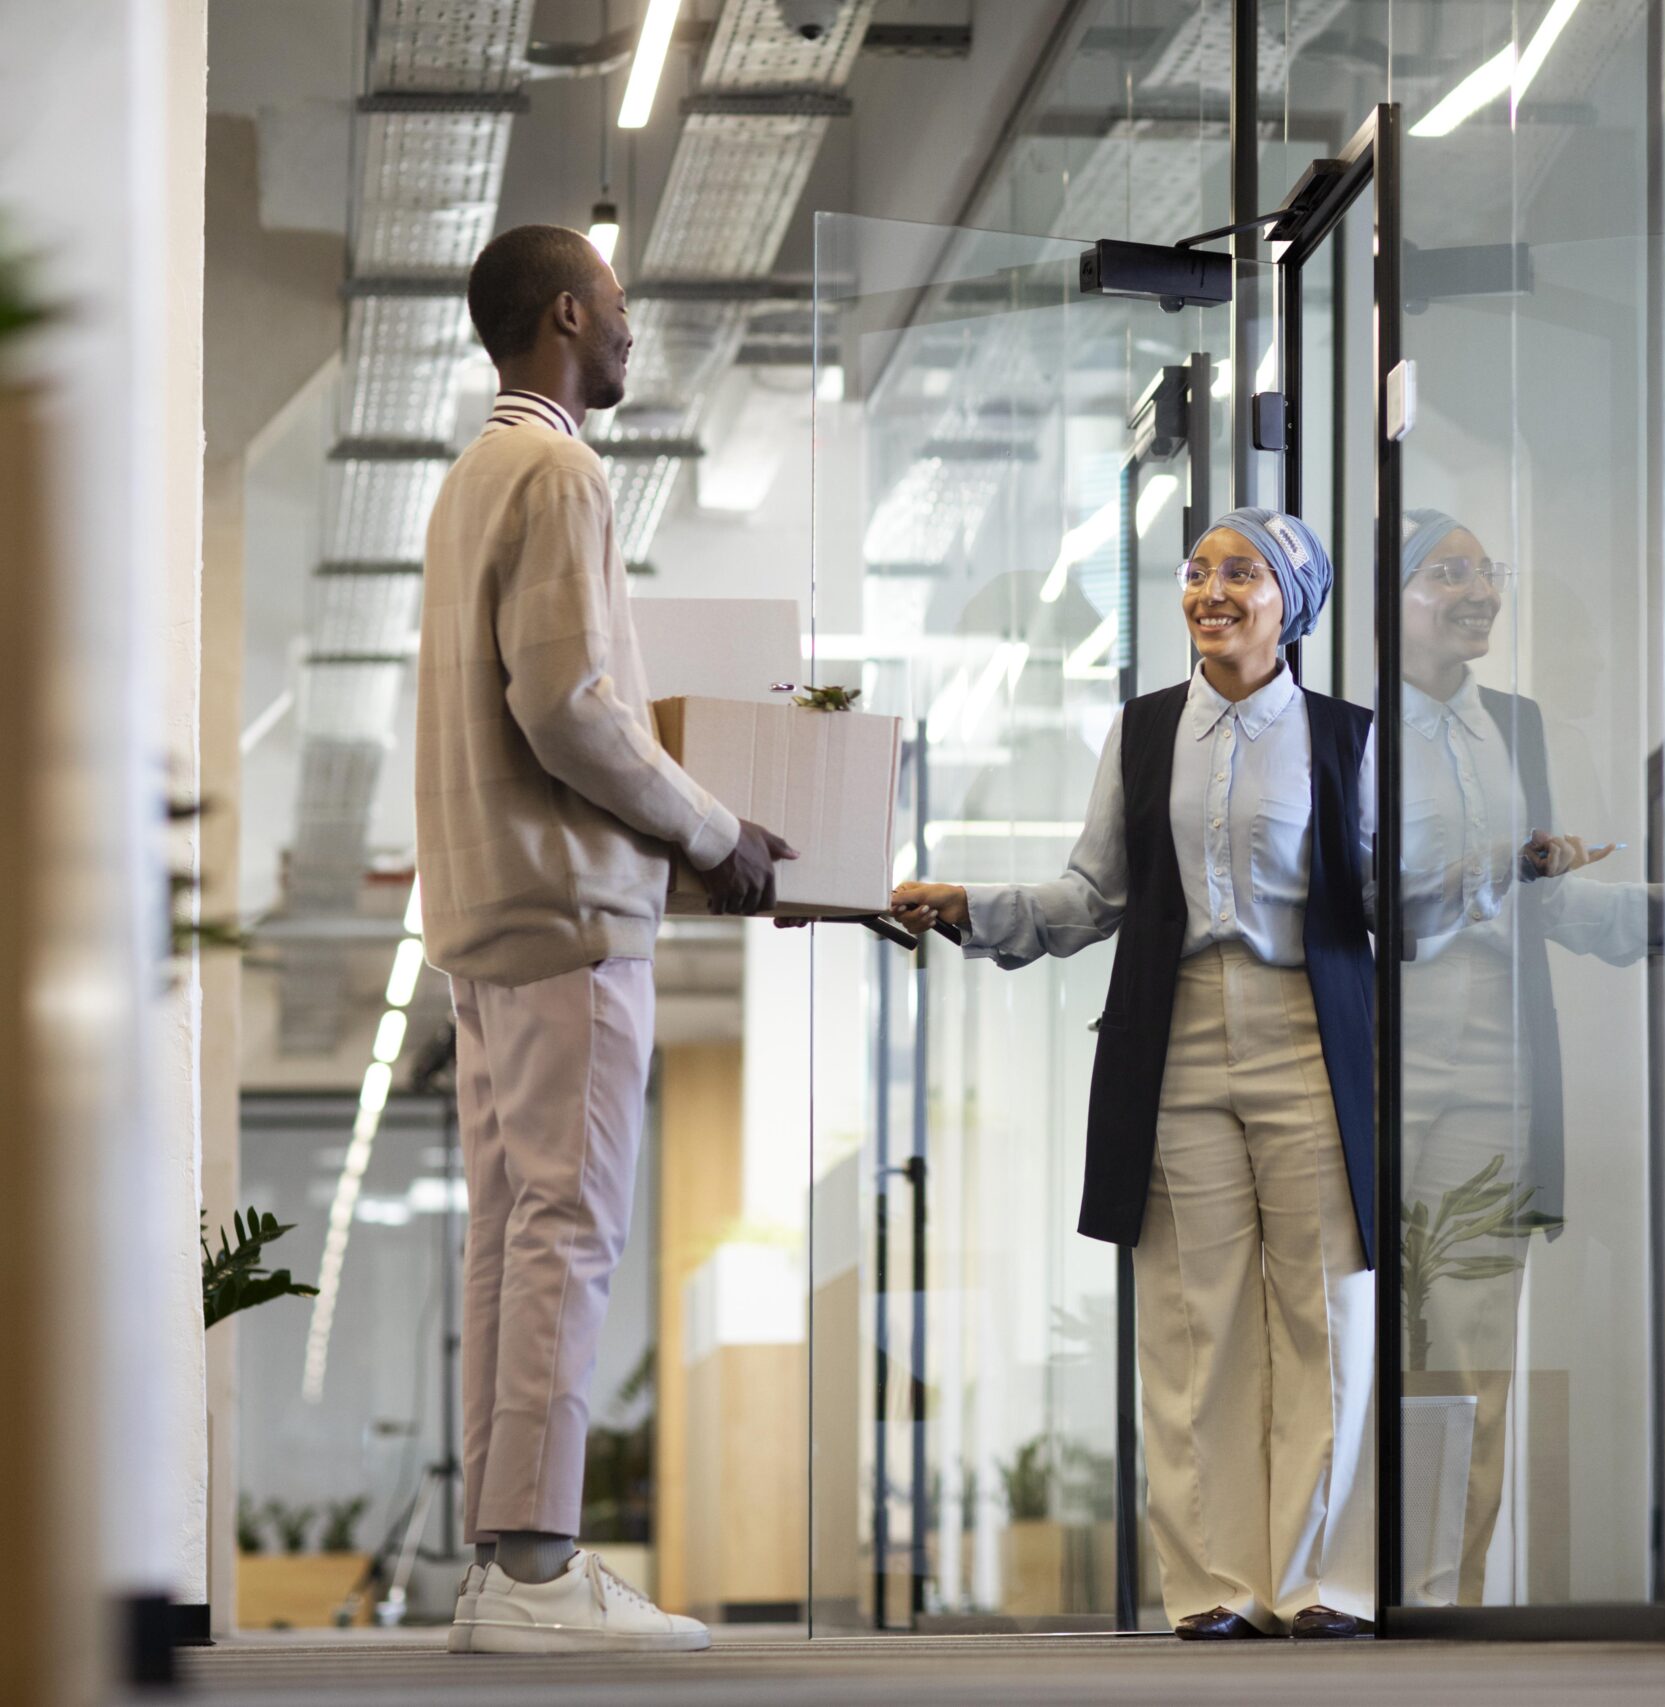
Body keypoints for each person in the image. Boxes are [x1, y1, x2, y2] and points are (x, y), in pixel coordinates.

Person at [889, 508, 1572, 1637]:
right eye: (1197, 570)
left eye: (1240, 572)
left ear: (1288, 602)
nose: (1210, 588)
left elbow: (1388, 902)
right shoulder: (1145, 730)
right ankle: (1215, 1589)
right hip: (1177, 1038)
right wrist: (977, 909)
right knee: (1192, 1319)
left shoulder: (1345, 738)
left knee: (1326, 1311)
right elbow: (1093, 896)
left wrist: (1500, 870)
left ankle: (1324, 1585)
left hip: (1308, 1031)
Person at [417, 224, 796, 1654]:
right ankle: (539, 1572)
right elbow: (570, 705)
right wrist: (714, 831)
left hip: (481, 913)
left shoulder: (470, 477)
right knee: (567, 1231)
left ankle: (501, 1564)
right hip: (566, 909)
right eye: (622, 306)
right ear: (569, 313)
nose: (633, 331)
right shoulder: (559, 467)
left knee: (511, 1236)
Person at [1394, 509, 1665, 1602]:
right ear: (1392, 594)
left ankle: (1439, 1601)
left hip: (1494, 1093)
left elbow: (1548, 902)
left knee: (1466, 1362)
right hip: (1369, 1082)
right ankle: (1338, 1588)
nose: (1477, 591)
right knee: (1358, 1352)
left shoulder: (1515, 725)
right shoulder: (1345, 732)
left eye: (1486, 571)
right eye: (1446, 571)